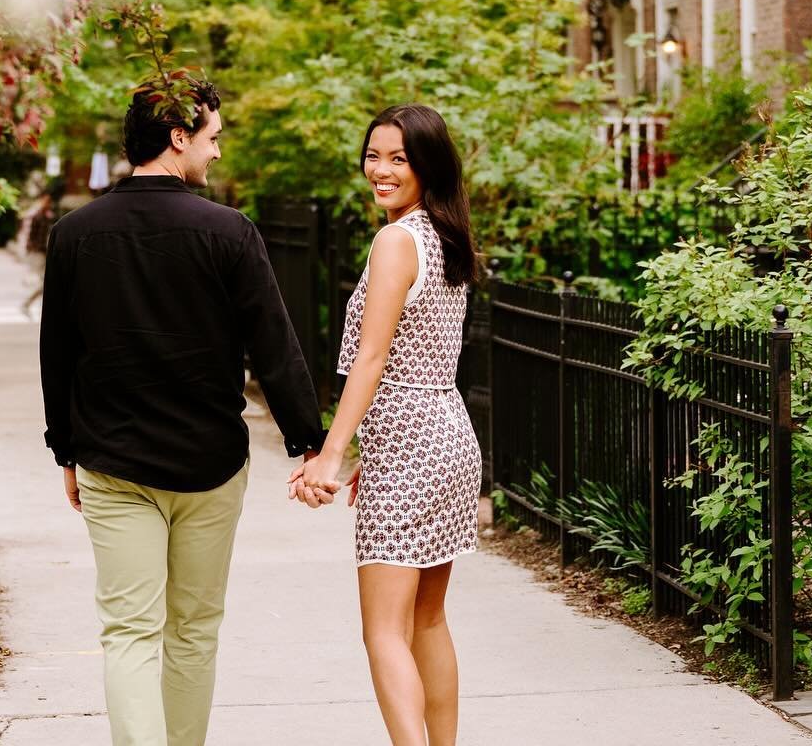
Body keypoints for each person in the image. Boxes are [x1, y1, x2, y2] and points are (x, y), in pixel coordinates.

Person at [39, 78, 324, 746]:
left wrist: (65, 450)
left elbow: (58, 352)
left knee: (129, 632)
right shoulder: (229, 232)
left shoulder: (75, 234)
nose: (217, 153)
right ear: (178, 137)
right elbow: (273, 345)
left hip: (113, 461)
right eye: (213, 138)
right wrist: (309, 439)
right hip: (210, 464)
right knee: (193, 633)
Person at [290, 103, 482, 746]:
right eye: (374, 155)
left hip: (410, 441)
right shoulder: (445, 236)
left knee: (384, 629)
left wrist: (331, 454)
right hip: (447, 437)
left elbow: (373, 359)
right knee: (427, 621)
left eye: (398, 158)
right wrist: (369, 451)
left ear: (427, 164)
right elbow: (417, 354)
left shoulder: (397, 241)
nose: (380, 169)